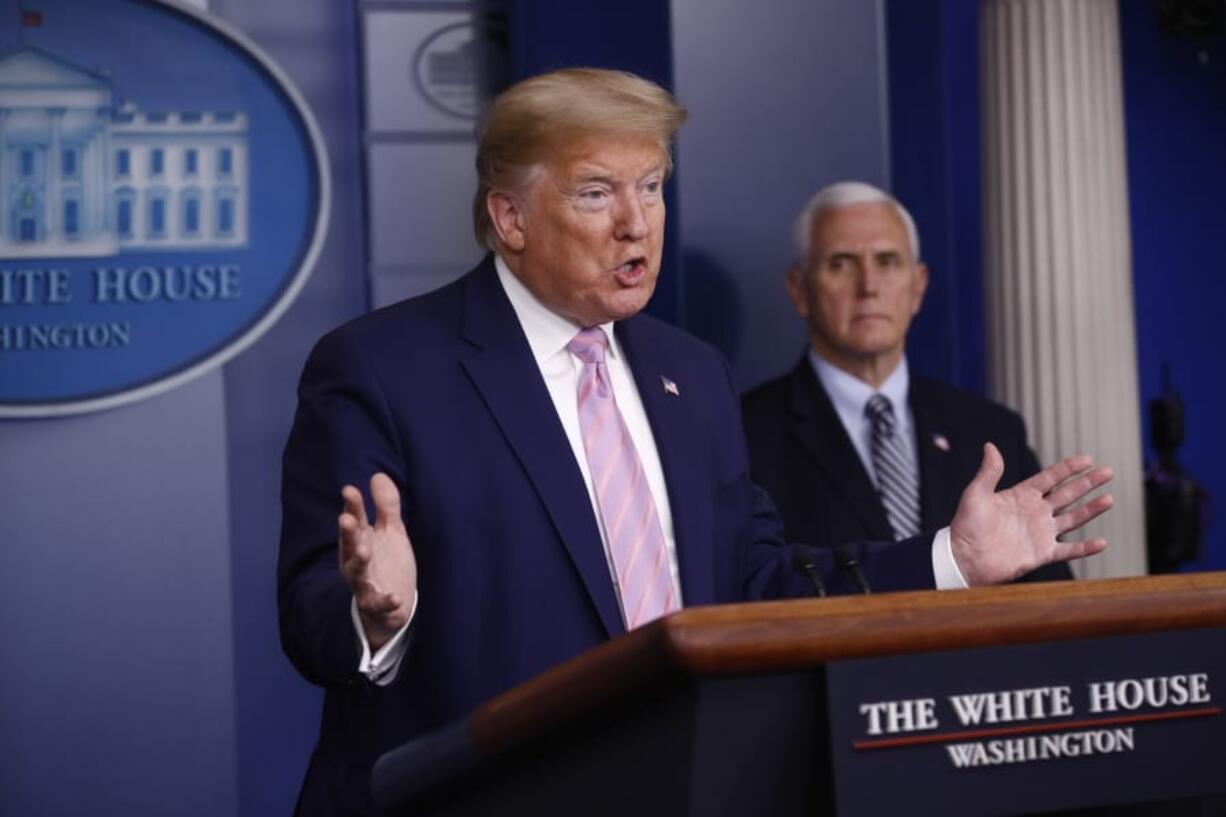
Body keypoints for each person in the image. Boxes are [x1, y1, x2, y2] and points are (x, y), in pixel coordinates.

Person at [278, 72, 1112, 817]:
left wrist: (949, 561)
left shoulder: (693, 376)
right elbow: (315, 617)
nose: (637, 225)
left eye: (651, 186)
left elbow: (758, 587)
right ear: (510, 218)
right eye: (597, 193)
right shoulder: (384, 367)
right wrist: (374, 614)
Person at [742, 181, 1070, 582]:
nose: (869, 286)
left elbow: (1047, 605)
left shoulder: (991, 430)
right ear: (799, 290)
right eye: (841, 263)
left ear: (918, 286)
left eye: (887, 261)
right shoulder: (745, 433)